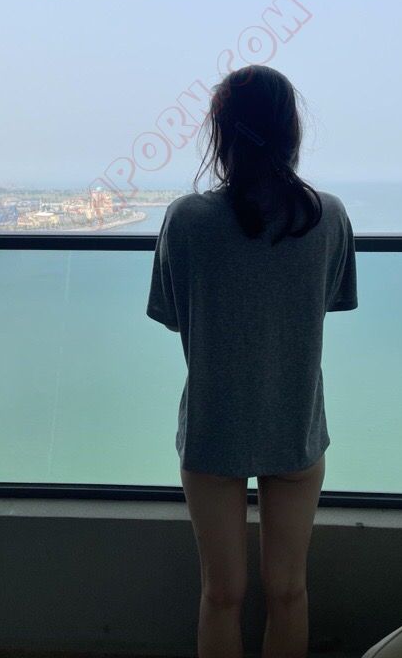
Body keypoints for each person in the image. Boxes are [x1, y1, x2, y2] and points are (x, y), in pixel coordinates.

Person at [146, 64, 358, 658]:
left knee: (221, 594)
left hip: (213, 428)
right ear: (292, 132)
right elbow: (329, 300)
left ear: (222, 133)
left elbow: (173, 313)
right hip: (296, 425)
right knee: (289, 590)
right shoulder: (329, 216)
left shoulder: (186, 219)